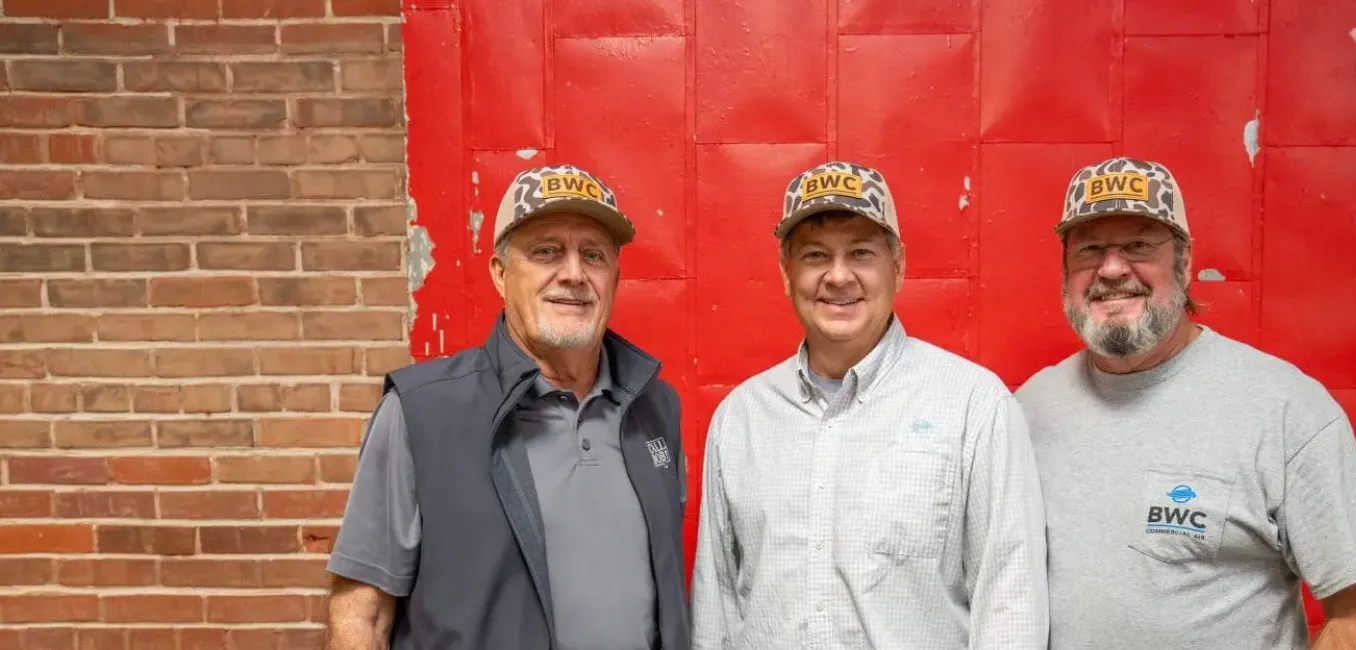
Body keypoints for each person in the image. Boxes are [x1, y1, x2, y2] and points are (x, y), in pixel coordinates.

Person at [1014, 156, 1356, 649]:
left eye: (1138, 245)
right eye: (1089, 250)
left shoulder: (1283, 408)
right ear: (1066, 271)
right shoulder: (1026, 410)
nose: (1112, 269)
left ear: (1185, 262)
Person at [323, 164, 690, 650]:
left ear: (615, 277)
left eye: (594, 255)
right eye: (546, 251)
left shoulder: (654, 406)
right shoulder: (421, 413)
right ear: (501, 273)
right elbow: (362, 615)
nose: (574, 274)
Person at [691, 161, 1050, 649]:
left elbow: (1012, 602)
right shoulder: (741, 418)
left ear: (898, 265)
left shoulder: (974, 406)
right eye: (816, 255)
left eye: (860, 253)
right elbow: (717, 605)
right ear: (786, 272)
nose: (838, 277)